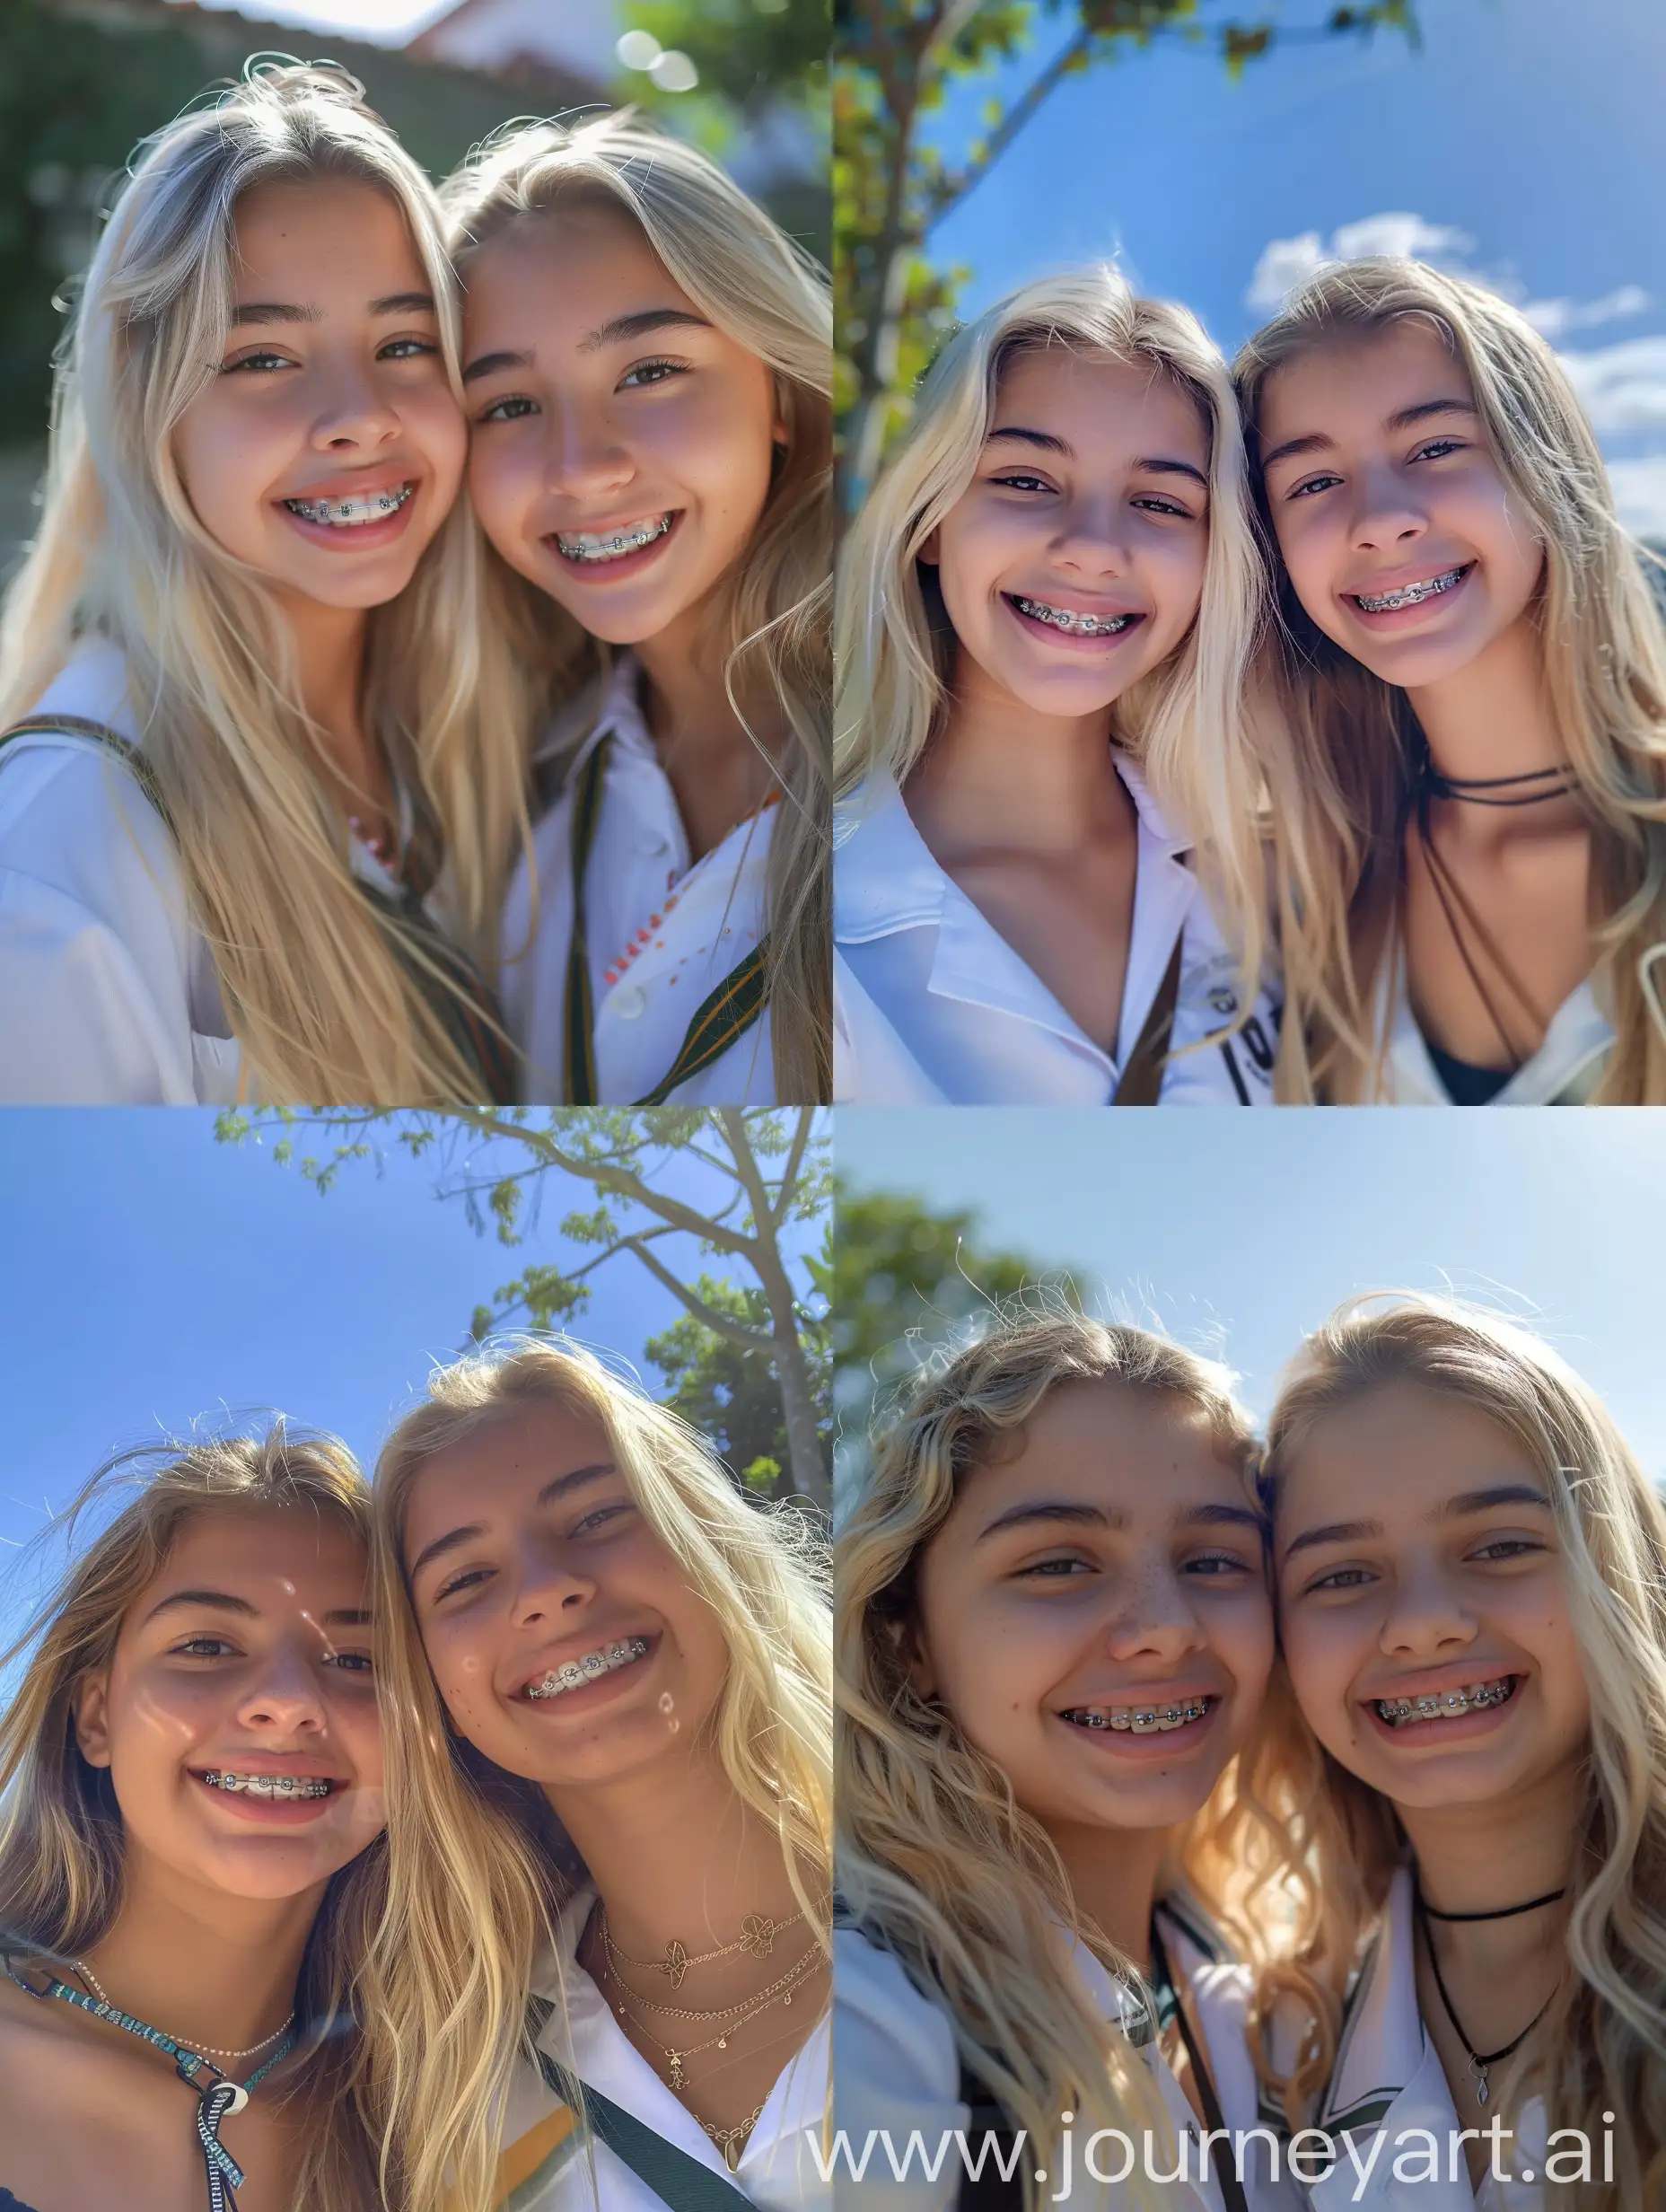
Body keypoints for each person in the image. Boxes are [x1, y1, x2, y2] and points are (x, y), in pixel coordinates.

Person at [0, 63, 524, 1105]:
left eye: (404, 342)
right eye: (263, 357)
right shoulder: (61, 846)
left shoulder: (480, 735)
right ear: (150, 407)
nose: (358, 413)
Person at [835, 1310, 1305, 2210]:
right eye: (1057, 1564)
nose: (1165, 1627)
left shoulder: (1272, 1997)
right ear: (910, 1642)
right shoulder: (865, 2014)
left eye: (1213, 1559)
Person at [360, 1339, 831, 2212]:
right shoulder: (453, 2087)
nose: (544, 1589)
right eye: (465, 1577)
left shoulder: (993, 1919)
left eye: (596, 1517)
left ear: (707, 1535)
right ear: (426, 1674)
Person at [446, 113, 832, 1106]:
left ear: (781, 395)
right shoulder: (499, 812)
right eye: (508, 406)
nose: (582, 468)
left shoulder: (918, 758)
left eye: (649, 371)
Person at [833, 270, 1280, 1105]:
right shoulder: (784, 921)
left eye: (1159, 502)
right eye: (1026, 481)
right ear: (931, 520)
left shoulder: (1285, 883)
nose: (1093, 548)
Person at [1258, 1295, 1666, 2206]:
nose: (1421, 1624)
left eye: (1497, 1545)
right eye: (1342, 1574)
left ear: (1615, 1567)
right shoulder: (1274, 2046)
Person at [1237, 259, 1666, 1103]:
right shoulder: (1293, 884)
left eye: (1435, 447)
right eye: (1314, 481)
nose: (1380, 519)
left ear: (1542, 467)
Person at [0, 1426, 386, 2211]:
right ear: (97, 1717)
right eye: (208, 1645)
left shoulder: (450, 2116)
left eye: (356, 1661)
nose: (287, 1702)